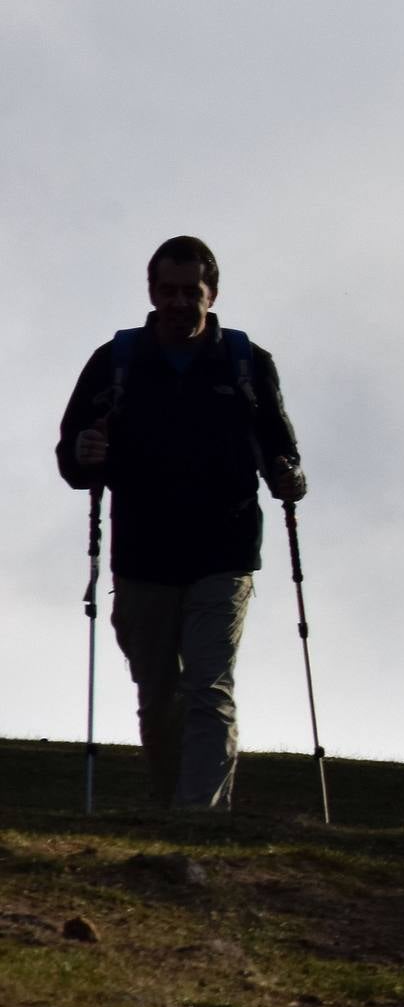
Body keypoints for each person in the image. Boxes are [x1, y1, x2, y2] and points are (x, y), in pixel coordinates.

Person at [55, 236, 306, 810]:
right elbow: (72, 457)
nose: (177, 303)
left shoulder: (245, 362)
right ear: (151, 292)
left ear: (211, 295)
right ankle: (174, 808)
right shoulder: (116, 361)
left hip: (225, 552)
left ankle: (200, 819)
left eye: (189, 292)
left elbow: (280, 451)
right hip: (144, 555)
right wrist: (84, 451)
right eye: (166, 291)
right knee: (158, 694)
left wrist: (291, 477)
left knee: (208, 687)